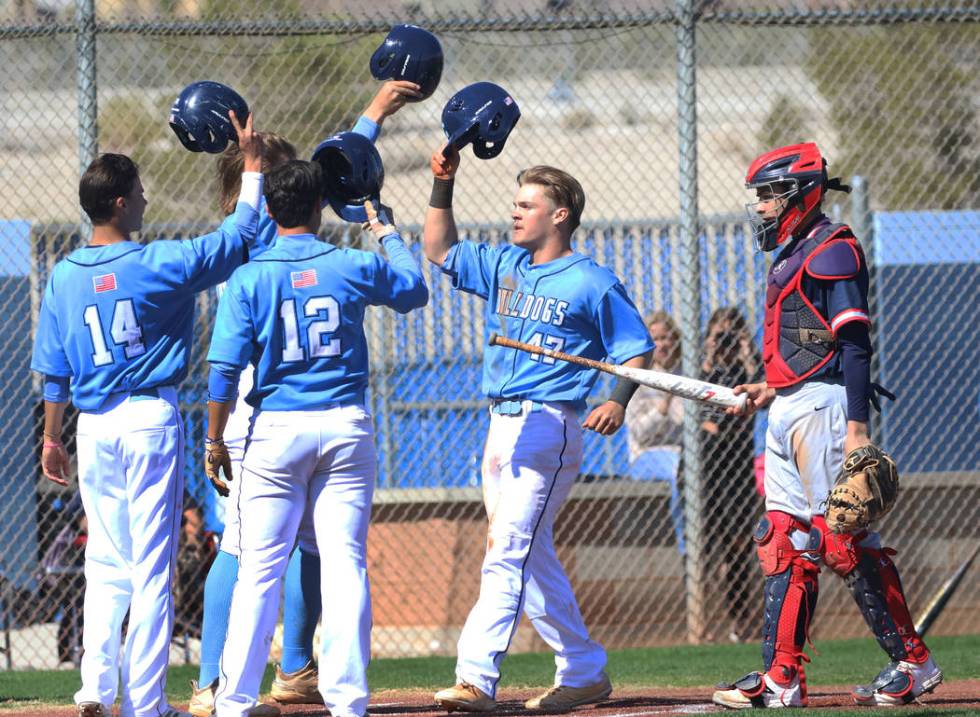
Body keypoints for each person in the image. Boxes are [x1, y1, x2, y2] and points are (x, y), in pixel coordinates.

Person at [189, 80, 421, 717]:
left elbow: (323, 175)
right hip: (331, 419)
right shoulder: (307, 250)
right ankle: (244, 684)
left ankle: (260, 678)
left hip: (265, 412)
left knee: (261, 552)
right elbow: (404, 279)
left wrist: (373, 114)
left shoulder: (247, 253)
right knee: (305, 554)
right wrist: (384, 223)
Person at [30, 113, 263, 717]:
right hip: (147, 419)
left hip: (92, 425)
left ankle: (94, 689)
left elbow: (53, 370)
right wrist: (254, 169)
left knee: (105, 562)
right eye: (137, 193)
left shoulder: (61, 276)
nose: (144, 199)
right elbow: (236, 241)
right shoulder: (157, 261)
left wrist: (52, 438)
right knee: (152, 567)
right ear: (118, 201)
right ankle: (145, 703)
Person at [423, 148, 654, 713]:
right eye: (515, 203)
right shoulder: (506, 264)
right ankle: (583, 669)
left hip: (549, 425)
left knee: (506, 554)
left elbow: (636, 349)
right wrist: (442, 185)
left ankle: (476, 677)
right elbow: (438, 249)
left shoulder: (591, 281)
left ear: (560, 214)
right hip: (500, 425)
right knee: (532, 558)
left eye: (528, 205)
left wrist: (618, 401)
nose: (515, 213)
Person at [713, 143, 942, 709]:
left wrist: (858, 428)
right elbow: (807, 340)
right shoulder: (793, 250)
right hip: (791, 405)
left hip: (827, 410)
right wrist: (772, 388)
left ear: (800, 193)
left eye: (770, 195)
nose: (763, 206)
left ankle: (913, 663)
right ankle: (782, 678)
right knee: (785, 544)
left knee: (841, 540)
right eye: (760, 196)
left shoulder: (832, 249)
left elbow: (855, 344)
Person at [697, 307, 762, 642]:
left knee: (738, 546)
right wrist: (709, 356)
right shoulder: (703, 368)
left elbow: (760, 393)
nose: (724, 340)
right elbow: (699, 406)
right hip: (706, 462)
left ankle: (740, 622)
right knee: (703, 545)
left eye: (730, 333)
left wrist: (748, 353)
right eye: (718, 333)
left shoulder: (746, 369)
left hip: (737, 460)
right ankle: (700, 625)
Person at [624, 311, 686, 553]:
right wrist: (662, 407)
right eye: (656, 338)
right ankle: (686, 551)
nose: (662, 344)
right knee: (678, 471)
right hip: (647, 453)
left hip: (683, 449)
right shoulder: (640, 376)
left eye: (667, 338)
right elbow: (639, 433)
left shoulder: (686, 371)